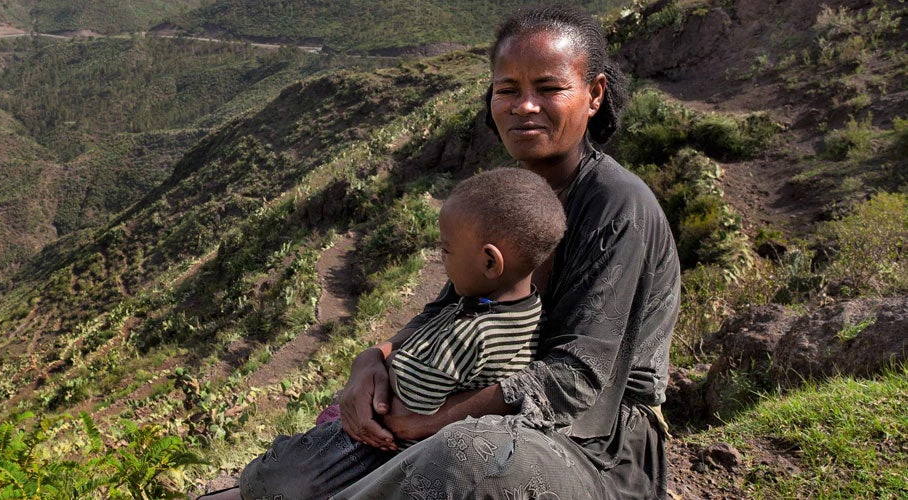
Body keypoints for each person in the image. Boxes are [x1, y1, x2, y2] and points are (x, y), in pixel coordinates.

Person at [203, 4, 679, 499]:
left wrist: (435, 423)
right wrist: (374, 359)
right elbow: (459, 305)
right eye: (508, 90)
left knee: (465, 457)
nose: (525, 106)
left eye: (549, 88)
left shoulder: (617, 205)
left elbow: (578, 375)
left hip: (593, 444)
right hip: (476, 405)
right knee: (289, 476)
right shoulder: (513, 198)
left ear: (594, 93)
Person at [232, 168, 567, 499]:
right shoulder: (525, 307)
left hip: (379, 450)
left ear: (491, 262)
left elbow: (409, 401)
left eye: (447, 250)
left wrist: (388, 366)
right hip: (412, 446)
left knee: (266, 480)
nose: (442, 258)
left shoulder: (471, 334)